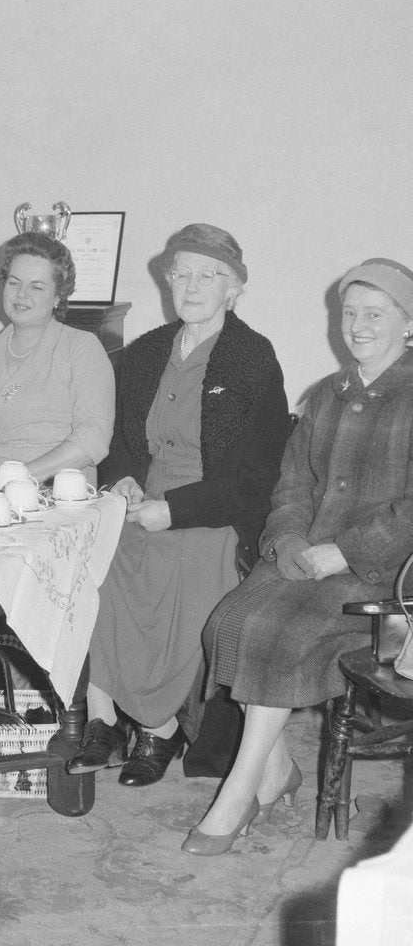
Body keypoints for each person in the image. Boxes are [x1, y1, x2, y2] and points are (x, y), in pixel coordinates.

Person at [183, 257, 413, 855]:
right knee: (225, 623)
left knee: (274, 631)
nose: (357, 326)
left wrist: (347, 551)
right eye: (350, 313)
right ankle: (278, 767)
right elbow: (292, 484)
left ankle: (239, 791)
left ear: (409, 324)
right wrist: (286, 540)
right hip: (306, 555)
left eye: (375, 315)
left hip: (386, 575)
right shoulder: (327, 394)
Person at [67, 223, 291, 788]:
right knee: (95, 555)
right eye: (182, 274)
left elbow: (256, 476)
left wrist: (174, 510)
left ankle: (158, 726)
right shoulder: (146, 351)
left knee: (181, 562)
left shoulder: (253, 358)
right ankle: (103, 718)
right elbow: (120, 440)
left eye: (208, 276)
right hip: (144, 494)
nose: (192, 286)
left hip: (214, 508)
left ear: (233, 289)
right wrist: (123, 481)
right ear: (167, 282)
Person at [0, 231, 115, 486]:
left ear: (58, 296)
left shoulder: (82, 348)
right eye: (14, 283)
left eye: (36, 287)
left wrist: (12, 478)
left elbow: (93, 439)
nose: (22, 294)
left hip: (58, 487)